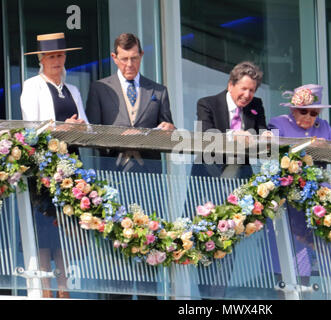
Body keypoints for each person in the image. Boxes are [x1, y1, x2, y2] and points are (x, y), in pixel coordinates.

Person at [20, 32, 87, 299]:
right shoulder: (32, 85)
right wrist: (63, 127)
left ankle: (64, 291)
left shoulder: (73, 89)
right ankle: (46, 292)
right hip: (45, 169)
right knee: (46, 231)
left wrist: (80, 126)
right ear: (41, 59)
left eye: (60, 55)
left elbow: (88, 127)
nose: (57, 61)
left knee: (66, 230)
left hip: (71, 167)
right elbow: (31, 129)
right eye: (51, 56)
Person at [267, 84, 331, 290]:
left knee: (310, 273)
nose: (308, 116)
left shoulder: (323, 127)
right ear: (293, 109)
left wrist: (327, 146)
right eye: (303, 111)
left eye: (313, 112)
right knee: (288, 269)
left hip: (315, 205)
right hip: (288, 203)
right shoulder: (277, 123)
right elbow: (271, 153)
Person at [86, 33, 174, 173]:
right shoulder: (99, 89)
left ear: (142, 55)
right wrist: (120, 137)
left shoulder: (159, 91)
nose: (129, 64)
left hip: (150, 175)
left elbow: (167, 134)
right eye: (124, 59)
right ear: (114, 58)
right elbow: (91, 133)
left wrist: (170, 130)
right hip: (111, 172)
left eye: (134, 58)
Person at [194, 61, 269, 178]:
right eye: (243, 88)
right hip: (210, 171)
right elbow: (205, 135)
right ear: (230, 85)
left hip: (241, 171)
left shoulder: (256, 104)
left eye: (252, 90)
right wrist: (233, 135)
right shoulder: (207, 104)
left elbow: (262, 130)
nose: (247, 95)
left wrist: (266, 134)